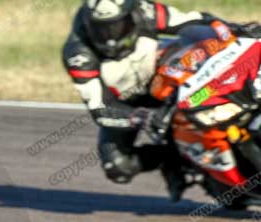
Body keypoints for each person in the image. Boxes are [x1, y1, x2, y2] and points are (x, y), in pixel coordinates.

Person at [62, 0, 261, 201]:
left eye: (116, 25)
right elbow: (100, 109)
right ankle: (172, 158)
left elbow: (195, 21)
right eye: (100, 28)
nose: (110, 36)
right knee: (118, 166)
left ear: (130, 15)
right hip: (126, 105)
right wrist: (139, 117)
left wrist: (235, 29)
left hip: (164, 75)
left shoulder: (145, 11)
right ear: (88, 22)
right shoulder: (78, 55)